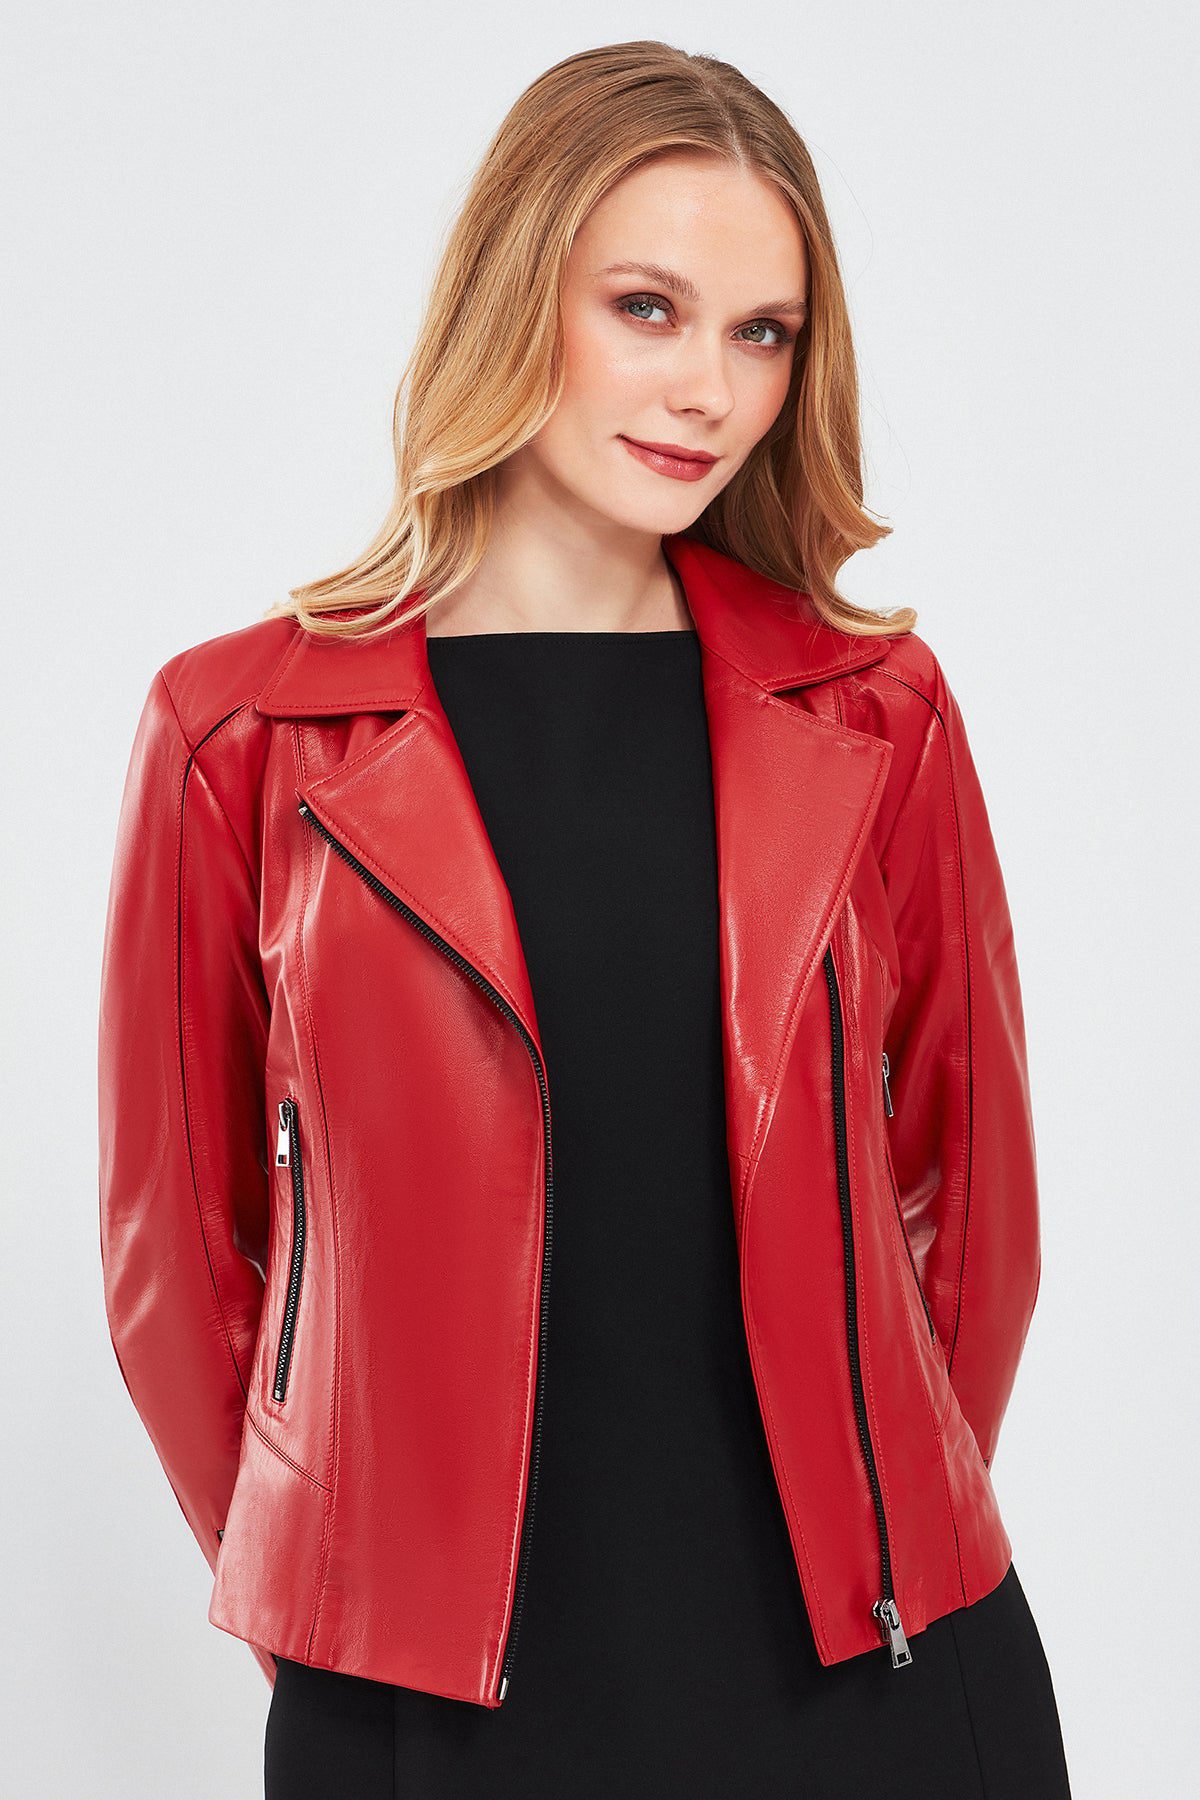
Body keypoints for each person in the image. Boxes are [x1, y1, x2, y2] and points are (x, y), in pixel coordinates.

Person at [97, 39, 1073, 1800]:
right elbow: (184, 1267)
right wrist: (342, 1596)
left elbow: (974, 1204)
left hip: (875, 1677)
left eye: (762, 333)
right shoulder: (243, 735)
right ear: (513, 294)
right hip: (428, 1696)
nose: (708, 387)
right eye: (647, 308)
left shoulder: (876, 713)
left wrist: (879, 1526)